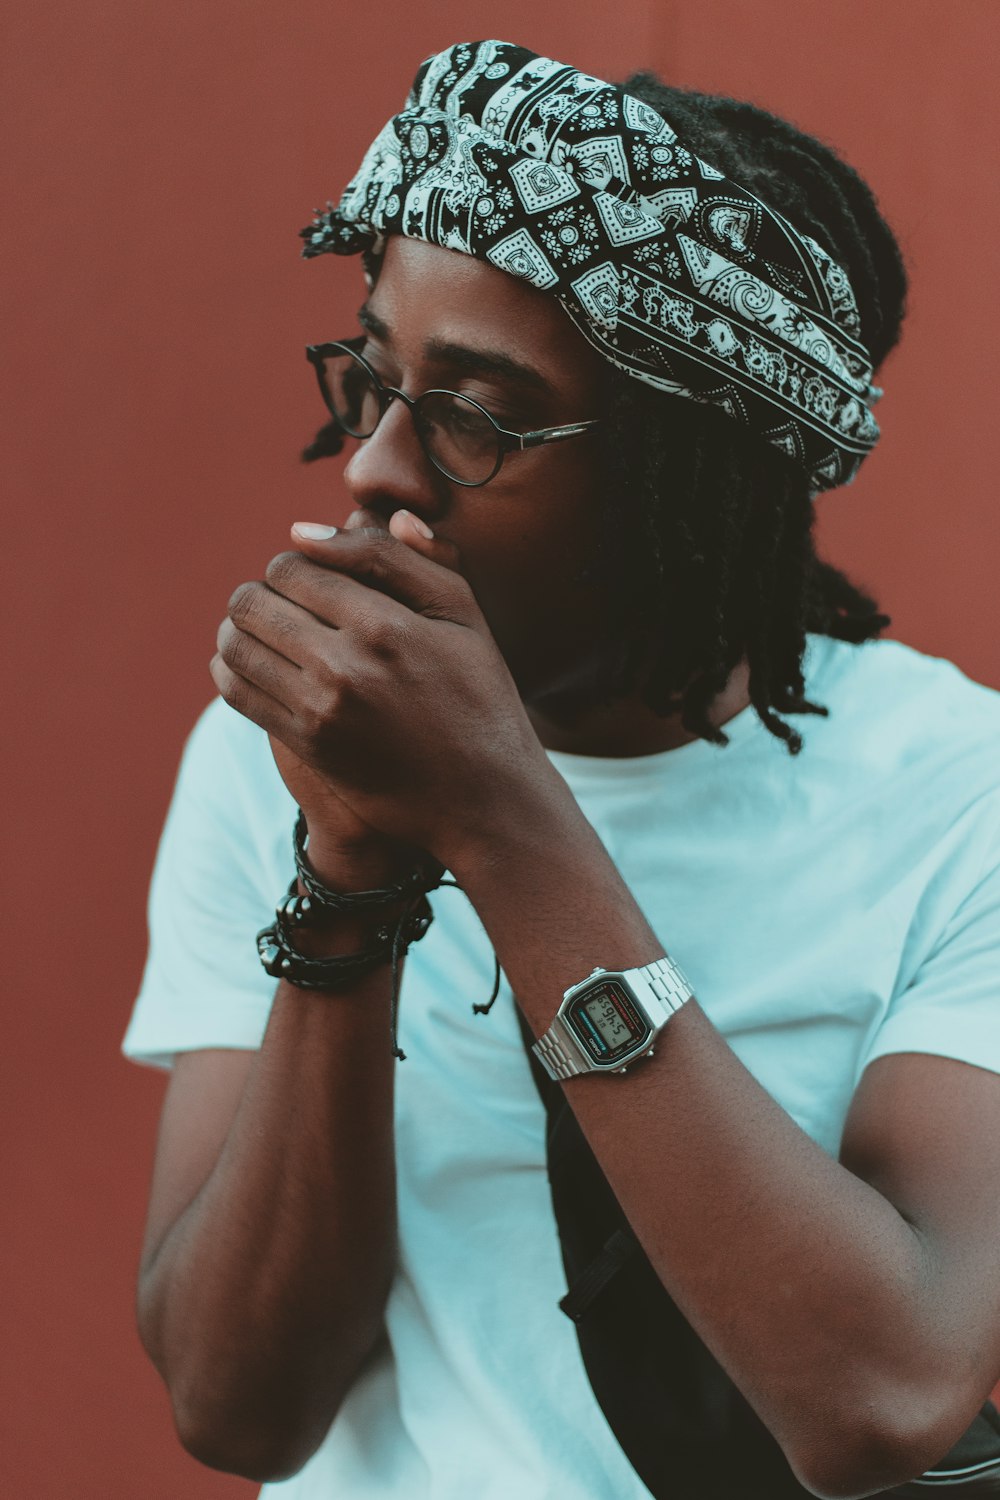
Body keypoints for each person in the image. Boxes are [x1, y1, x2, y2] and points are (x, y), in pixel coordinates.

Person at [122, 39, 1000, 1500]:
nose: (377, 471)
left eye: (475, 413)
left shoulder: (958, 790)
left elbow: (886, 1394)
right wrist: (347, 866)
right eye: (375, 376)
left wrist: (501, 818)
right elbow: (238, 1405)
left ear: (689, 473)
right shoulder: (265, 760)